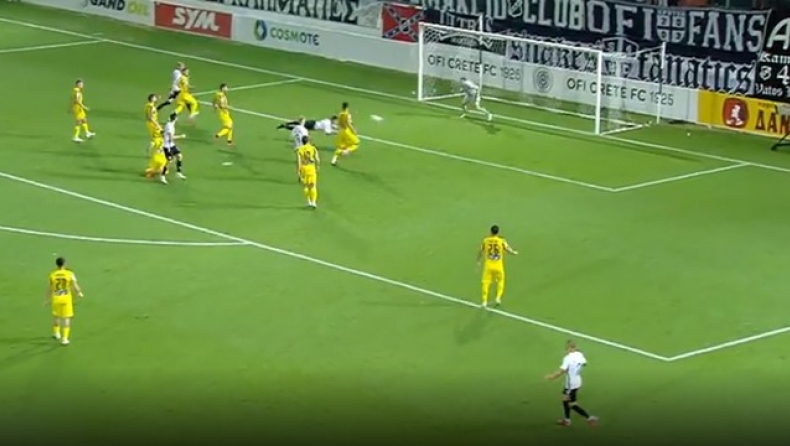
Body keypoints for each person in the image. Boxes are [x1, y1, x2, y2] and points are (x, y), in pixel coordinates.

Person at [545, 340, 599, 427]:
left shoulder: (567, 358)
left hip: (570, 384)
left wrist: (551, 377)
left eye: (567, 348)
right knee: (565, 400)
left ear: (569, 348)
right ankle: (567, 420)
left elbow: (561, 371)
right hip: (577, 381)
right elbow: (584, 364)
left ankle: (589, 418)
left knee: (571, 404)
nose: (566, 350)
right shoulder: (579, 354)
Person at [46, 257, 84, 346]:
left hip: (56, 298)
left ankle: (56, 333)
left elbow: (50, 288)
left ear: (57, 264)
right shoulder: (69, 273)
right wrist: (79, 293)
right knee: (66, 318)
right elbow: (74, 285)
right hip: (66, 298)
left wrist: (47, 299)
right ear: (64, 264)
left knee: (56, 316)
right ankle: (65, 338)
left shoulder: (52, 274)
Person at [477, 224, 517, 307]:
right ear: (498, 232)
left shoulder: (486, 240)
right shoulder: (501, 241)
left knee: (486, 282)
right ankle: (498, 298)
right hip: (498, 265)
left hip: (488, 265)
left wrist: (478, 261)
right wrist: (514, 252)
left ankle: (484, 301)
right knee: (500, 281)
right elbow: (508, 249)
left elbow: (481, 251)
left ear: (490, 232)